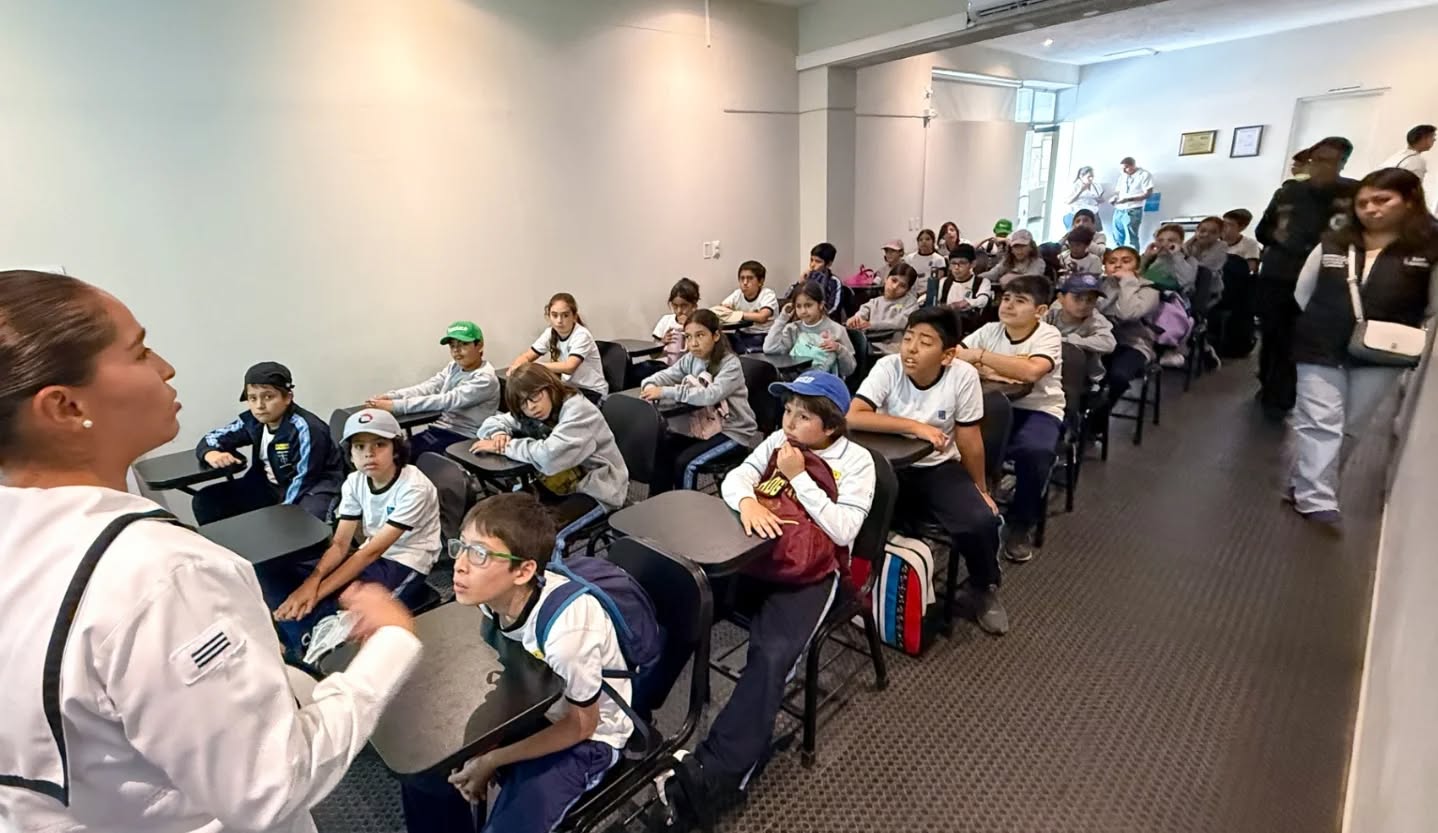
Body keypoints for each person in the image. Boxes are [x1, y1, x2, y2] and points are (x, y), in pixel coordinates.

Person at [0, 270, 420, 833]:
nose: (166, 367)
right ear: (65, 406)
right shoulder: (162, 575)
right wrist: (391, 641)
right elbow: (269, 785)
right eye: (140, 351)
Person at [658, 372, 876, 828]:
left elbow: (844, 530)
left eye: (803, 416)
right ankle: (636, 710)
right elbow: (738, 477)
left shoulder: (857, 461)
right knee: (686, 599)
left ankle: (716, 773)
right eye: (788, 410)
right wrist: (747, 504)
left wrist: (800, 479)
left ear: (831, 426)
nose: (789, 422)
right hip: (760, 552)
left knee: (772, 656)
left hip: (812, 574)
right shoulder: (779, 439)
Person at [402, 493, 634, 833]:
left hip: (589, 735)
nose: (460, 565)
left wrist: (491, 758)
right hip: (534, 703)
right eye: (461, 546)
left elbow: (582, 725)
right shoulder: (491, 599)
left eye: (479, 554)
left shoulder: (566, 637)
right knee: (425, 774)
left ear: (524, 571)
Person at [1288, 167, 1438, 531]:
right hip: (1320, 343)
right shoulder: (1334, 242)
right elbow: (1303, 291)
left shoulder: (1427, 249)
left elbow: (1432, 305)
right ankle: (1316, 497)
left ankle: (1308, 480)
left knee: (1350, 424)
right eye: (1363, 202)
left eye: (1382, 200)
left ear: (1409, 201)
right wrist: (1329, 319)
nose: (1371, 209)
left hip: (1385, 350)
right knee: (1320, 419)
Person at [847, 307, 1008, 634]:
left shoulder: (962, 376)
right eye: (908, 338)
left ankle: (983, 587)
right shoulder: (888, 366)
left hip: (937, 467)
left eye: (925, 342)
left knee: (980, 521)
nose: (911, 349)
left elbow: (969, 439)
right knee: (846, 512)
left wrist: (981, 488)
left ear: (947, 354)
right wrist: (914, 427)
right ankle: (858, 588)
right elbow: (854, 415)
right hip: (888, 469)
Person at [260, 408, 441, 663]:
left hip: (405, 561)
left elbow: (371, 553)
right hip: (368, 553)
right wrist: (311, 583)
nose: (369, 453)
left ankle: (305, 647)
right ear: (351, 453)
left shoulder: (414, 487)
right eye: (359, 446)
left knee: (344, 601)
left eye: (379, 444)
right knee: (276, 571)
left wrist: (315, 593)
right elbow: (340, 543)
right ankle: (300, 632)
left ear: (396, 449)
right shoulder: (355, 481)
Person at [958, 275, 1066, 563]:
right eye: (1006, 298)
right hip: (991, 406)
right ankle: (971, 508)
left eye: (1020, 301)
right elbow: (955, 355)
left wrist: (981, 357)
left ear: (1040, 311)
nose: (1008, 305)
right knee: (957, 441)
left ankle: (1022, 523)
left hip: (1038, 409)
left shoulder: (1048, 335)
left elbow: (1031, 372)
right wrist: (996, 371)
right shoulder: (990, 329)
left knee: (1036, 453)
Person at [472, 364, 629, 559]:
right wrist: (499, 435)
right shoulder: (536, 411)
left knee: (543, 536)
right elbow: (495, 421)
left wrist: (504, 447)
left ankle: (548, 574)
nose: (531, 407)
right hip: (558, 484)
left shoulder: (578, 410)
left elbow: (549, 457)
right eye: (523, 403)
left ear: (550, 387)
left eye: (534, 397)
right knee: (508, 516)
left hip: (597, 489)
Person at [1255, 137, 1359, 418]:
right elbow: (1263, 230)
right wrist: (1278, 237)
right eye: (1316, 160)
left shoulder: (1353, 194)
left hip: (1321, 280)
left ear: (1342, 163)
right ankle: (1269, 386)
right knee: (1272, 336)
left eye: (1328, 161)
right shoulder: (1288, 192)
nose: (1319, 166)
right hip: (1279, 275)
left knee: (1300, 340)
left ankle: (1283, 396)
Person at [192, 361, 344, 526]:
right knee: (206, 501)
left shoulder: (306, 428)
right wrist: (211, 453)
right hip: (269, 485)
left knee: (301, 523)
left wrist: (283, 510)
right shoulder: (254, 421)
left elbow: (304, 478)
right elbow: (213, 438)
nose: (259, 406)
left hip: (313, 488)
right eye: (252, 398)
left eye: (268, 397)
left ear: (288, 397)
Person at [640, 308, 761, 493]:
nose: (693, 343)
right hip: (702, 428)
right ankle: (659, 503)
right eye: (688, 337)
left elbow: (709, 395)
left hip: (733, 432)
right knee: (661, 450)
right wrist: (649, 385)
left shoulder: (730, 364)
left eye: (700, 335)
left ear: (716, 336)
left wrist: (665, 391)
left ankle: (686, 508)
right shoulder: (690, 359)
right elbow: (665, 375)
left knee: (686, 464)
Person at [367, 321, 501, 459]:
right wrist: (392, 397)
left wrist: (396, 407)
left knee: (395, 458)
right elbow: (430, 387)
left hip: (463, 437)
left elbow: (445, 401)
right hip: (441, 429)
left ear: (479, 345)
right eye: (452, 345)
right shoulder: (454, 367)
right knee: (389, 452)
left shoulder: (485, 378)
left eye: (463, 344)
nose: (456, 350)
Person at [509, 292, 608, 403]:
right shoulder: (550, 333)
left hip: (591, 391)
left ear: (574, 317)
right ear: (548, 316)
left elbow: (569, 367)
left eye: (565, 315)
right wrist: (516, 367)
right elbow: (527, 356)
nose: (559, 321)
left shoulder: (582, 335)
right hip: (569, 389)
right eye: (554, 315)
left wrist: (534, 366)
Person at [1097, 246, 1162, 412]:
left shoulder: (1149, 291)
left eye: (1126, 261)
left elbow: (1127, 314)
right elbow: (1095, 311)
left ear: (1137, 268)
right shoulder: (1101, 285)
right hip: (1100, 341)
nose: (1118, 265)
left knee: (1118, 375)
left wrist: (1127, 282)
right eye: (1112, 262)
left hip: (1133, 344)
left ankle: (1101, 413)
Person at [764, 281, 857, 378]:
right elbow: (769, 348)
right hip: (796, 380)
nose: (803, 311)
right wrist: (782, 319)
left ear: (820, 305)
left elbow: (849, 370)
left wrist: (839, 349)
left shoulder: (837, 330)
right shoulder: (792, 329)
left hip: (824, 382)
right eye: (798, 306)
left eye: (808, 305)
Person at [1045, 272, 1116, 382]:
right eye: (1077, 298)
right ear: (1061, 298)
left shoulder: (1095, 319)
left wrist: (1072, 341)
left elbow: (1109, 344)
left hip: (1083, 377)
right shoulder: (1051, 313)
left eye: (1090, 300)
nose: (1083, 305)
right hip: (1047, 369)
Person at [717, 260, 778, 354]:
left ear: (760, 281)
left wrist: (737, 314)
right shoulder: (737, 294)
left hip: (763, 336)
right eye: (742, 278)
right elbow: (721, 310)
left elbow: (762, 317)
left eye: (750, 278)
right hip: (741, 334)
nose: (745, 282)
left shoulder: (767, 294)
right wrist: (725, 309)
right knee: (718, 341)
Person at [846, 262, 920, 337]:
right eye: (894, 280)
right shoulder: (874, 302)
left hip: (895, 343)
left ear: (908, 290)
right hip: (870, 341)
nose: (895, 287)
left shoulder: (910, 304)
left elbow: (900, 322)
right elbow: (862, 312)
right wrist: (855, 320)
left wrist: (871, 325)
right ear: (886, 279)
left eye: (902, 286)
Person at [652, 278, 701, 367]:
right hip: (665, 367)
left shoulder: (700, 323)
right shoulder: (665, 321)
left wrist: (689, 328)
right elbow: (653, 355)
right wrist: (662, 342)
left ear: (694, 305)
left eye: (684, 306)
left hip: (689, 367)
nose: (679, 311)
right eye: (675, 305)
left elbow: (704, 354)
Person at [785, 242, 843, 318]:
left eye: (818, 261)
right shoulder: (807, 277)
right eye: (811, 260)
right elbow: (788, 299)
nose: (812, 265)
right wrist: (799, 283)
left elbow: (834, 308)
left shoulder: (834, 281)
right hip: (804, 318)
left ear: (829, 264)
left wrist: (817, 316)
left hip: (825, 320)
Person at [1141, 223, 1198, 295]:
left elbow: (1186, 281)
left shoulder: (1189, 260)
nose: (1164, 244)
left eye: (1171, 240)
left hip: (1167, 298)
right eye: (1160, 240)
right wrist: (1146, 256)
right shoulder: (1152, 259)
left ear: (1181, 243)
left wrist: (1177, 255)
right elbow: (1135, 276)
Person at [1110, 157, 1154, 248]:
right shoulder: (1122, 175)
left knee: (1131, 239)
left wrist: (1128, 199)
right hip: (1119, 209)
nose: (1124, 170)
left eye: (1126, 168)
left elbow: (1148, 194)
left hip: (1133, 210)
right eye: (1122, 168)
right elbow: (1118, 191)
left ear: (1133, 165)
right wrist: (1115, 198)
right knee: (1117, 237)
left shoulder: (1144, 175)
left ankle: (1133, 256)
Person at [978, 228, 1046, 288]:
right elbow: (993, 273)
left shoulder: (1038, 262)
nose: (1019, 250)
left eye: (1023, 246)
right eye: (1016, 246)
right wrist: (975, 278)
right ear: (1011, 249)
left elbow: (1032, 279)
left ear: (1031, 247)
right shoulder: (1008, 261)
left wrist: (1010, 278)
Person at [941, 244, 992, 314]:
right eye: (953, 263)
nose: (956, 267)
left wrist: (966, 303)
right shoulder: (943, 282)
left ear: (973, 264)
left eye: (962, 263)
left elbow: (983, 300)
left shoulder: (983, 282)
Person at [904, 228, 948, 296]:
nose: (924, 242)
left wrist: (921, 293)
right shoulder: (910, 258)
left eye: (927, 239)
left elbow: (938, 282)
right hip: (911, 292)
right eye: (921, 240)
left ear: (933, 242)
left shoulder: (939, 259)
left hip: (930, 293)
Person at [1222, 208, 1262, 274]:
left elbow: (1250, 268)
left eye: (1229, 224)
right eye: (1223, 223)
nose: (1223, 227)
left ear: (1242, 228)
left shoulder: (1250, 244)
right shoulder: (1213, 240)